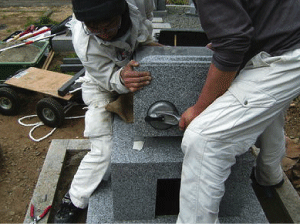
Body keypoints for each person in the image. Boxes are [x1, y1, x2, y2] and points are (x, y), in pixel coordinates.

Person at [177, 0, 300, 223]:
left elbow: (233, 45)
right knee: (266, 109)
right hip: (286, 38)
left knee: (203, 139)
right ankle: (270, 175)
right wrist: (231, 35)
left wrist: (199, 110)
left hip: (287, 54)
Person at [54, 0, 158, 223]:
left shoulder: (138, 2)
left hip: (137, 65)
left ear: (121, 12)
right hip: (102, 83)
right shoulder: (86, 43)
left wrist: (152, 52)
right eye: (94, 27)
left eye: (109, 26)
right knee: (104, 149)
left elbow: (148, 18)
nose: (104, 34)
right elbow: (108, 79)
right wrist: (121, 78)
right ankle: (74, 199)